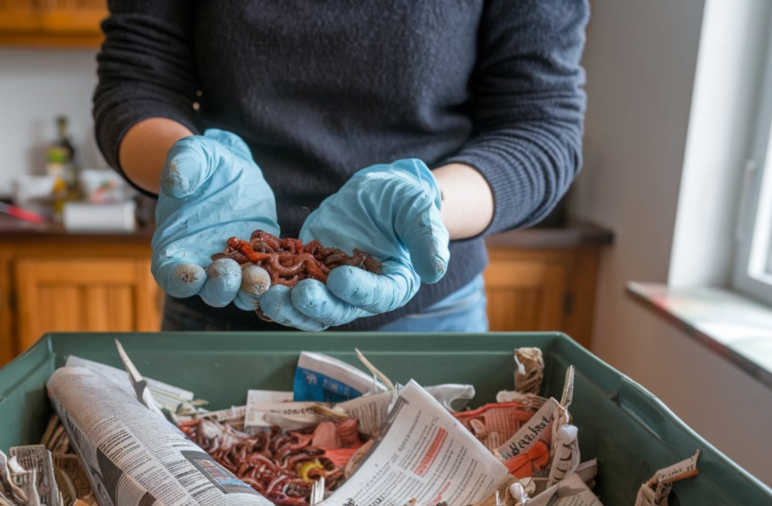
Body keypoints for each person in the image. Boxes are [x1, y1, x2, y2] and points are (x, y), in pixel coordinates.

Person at [93, 1, 588, 332]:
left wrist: (422, 204)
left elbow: (540, 126)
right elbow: (138, 79)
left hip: (427, 314)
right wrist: (190, 165)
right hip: (214, 291)